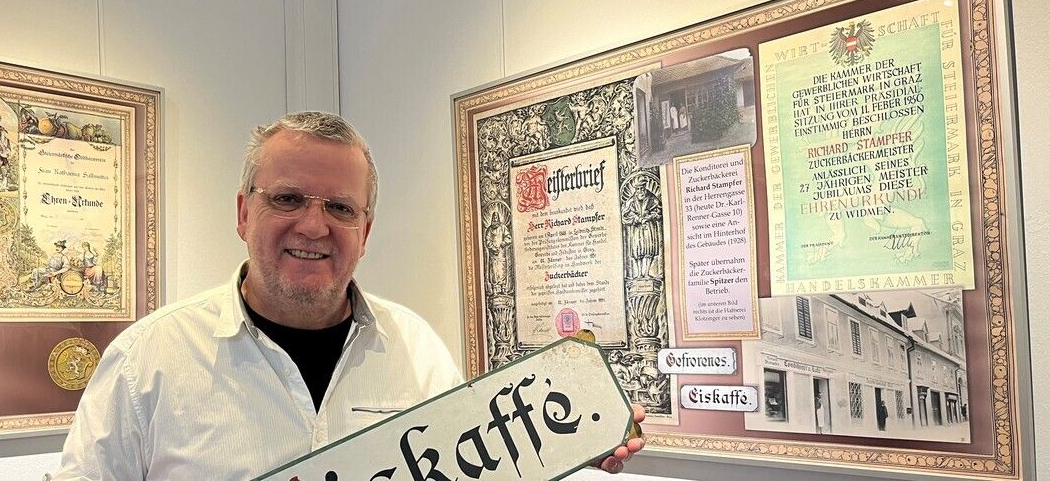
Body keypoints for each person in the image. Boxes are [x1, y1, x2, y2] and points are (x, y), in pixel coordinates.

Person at [55, 112, 643, 480]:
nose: (314, 226)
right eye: (287, 199)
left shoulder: (416, 348)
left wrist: (555, 448)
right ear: (243, 212)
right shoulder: (146, 362)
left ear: (365, 230)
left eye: (340, 207)